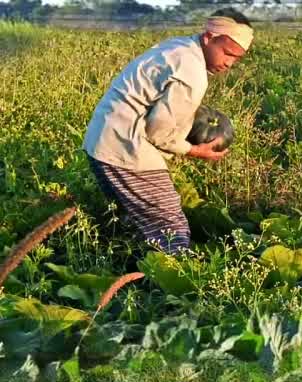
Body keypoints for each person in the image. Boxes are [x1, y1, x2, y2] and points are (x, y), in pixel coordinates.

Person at [82, 8, 253, 256]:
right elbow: (158, 133)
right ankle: (178, 287)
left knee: (134, 223)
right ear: (209, 37)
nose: (229, 63)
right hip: (126, 149)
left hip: (101, 142)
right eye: (227, 53)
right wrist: (194, 150)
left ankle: (131, 273)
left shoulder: (180, 47)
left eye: (236, 59)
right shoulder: (192, 72)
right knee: (171, 229)